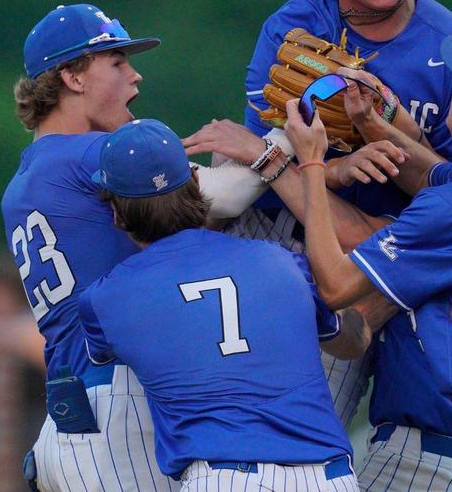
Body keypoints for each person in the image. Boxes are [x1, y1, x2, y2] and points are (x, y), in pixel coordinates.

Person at [222, 0, 452, 436]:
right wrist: (338, 167)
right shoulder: (293, 26)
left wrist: (388, 144)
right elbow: (263, 159)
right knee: (257, 425)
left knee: (312, 435)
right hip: (279, 230)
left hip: (379, 258)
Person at [285, 33, 452, 483]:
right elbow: (434, 175)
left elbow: (335, 285)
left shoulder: (451, 209)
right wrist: (370, 122)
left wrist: (310, 163)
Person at [78, 118, 368, 491]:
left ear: (116, 214)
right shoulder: (280, 261)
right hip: (328, 477)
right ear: (197, 185)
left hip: (223, 477)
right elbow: (350, 342)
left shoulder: (104, 299)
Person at [1, 3, 176, 492]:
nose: (135, 75)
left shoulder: (26, 176)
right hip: (117, 412)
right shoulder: (90, 153)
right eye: (116, 63)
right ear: (72, 77)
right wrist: (284, 150)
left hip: (73, 416)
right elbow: (208, 195)